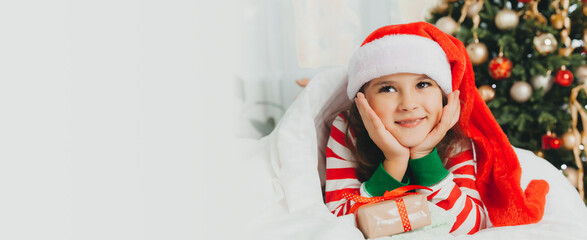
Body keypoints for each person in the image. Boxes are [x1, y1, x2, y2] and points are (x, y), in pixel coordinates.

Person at [324, 22, 549, 236]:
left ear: (444, 96)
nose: (408, 104)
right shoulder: (348, 128)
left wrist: (423, 158)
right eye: (388, 88)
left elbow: (471, 226)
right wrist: (394, 162)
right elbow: (338, 221)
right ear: (362, 100)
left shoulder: (454, 134)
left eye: (423, 84)